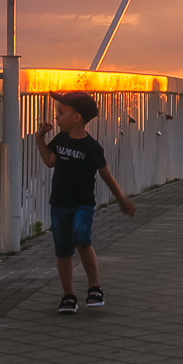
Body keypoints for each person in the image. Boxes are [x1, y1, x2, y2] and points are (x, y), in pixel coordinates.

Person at [36, 90, 135, 315]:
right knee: (62, 251)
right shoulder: (60, 139)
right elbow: (50, 161)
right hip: (59, 203)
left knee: (82, 241)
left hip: (82, 204)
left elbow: (105, 176)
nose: (56, 117)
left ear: (77, 117)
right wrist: (39, 138)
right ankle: (68, 294)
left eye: (61, 113)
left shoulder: (92, 147)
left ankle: (94, 287)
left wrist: (121, 200)